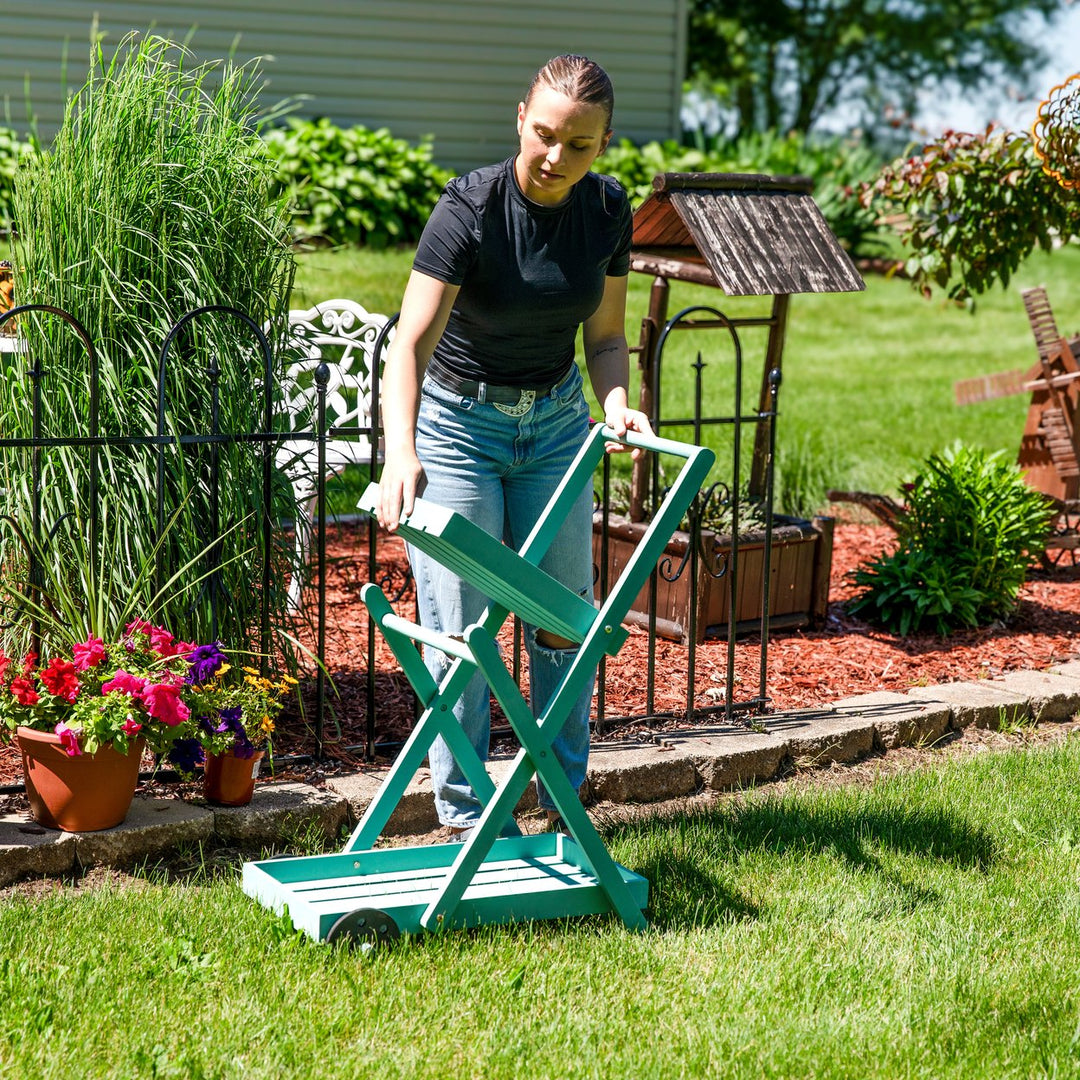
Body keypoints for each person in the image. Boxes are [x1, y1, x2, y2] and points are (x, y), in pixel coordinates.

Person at [375, 53, 652, 838]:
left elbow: (603, 337)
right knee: (463, 630)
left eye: (580, 145)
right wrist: (402, 452)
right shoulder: (471, 207)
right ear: (520, 119)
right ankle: (467, 822)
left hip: (558, 424)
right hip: (460, 426)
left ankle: (564, 804)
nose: (557, 159)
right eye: (545, 135)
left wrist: (620, 404)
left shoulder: (606, 210)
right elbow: (410, 346)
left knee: (563, 621)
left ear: (603, 145)